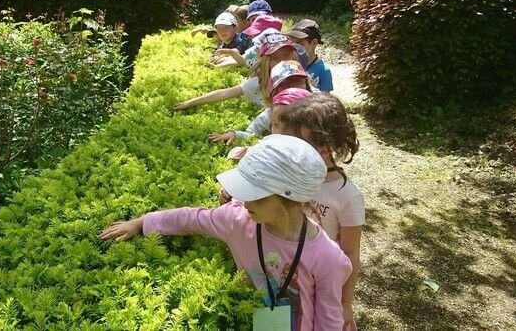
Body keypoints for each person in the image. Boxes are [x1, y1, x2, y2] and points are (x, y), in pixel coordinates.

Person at [100, 134, 352, 330]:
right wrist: (143, 222)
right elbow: (191, 218)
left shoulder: (327, 258)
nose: (244, 200)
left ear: (294, 201)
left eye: (256, 196)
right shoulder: (237, 219)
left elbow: (329, 320)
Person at [272, 93, 363, 330]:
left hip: (324, 285)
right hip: (287, 276)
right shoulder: (290, 176)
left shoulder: (347, 197)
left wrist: (345, 302)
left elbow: (351, 254)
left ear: (322, 147)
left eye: (295, 144)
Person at [173, 32, 307, 111]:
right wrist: (190, 102)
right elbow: (225, 93)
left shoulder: (300, 82)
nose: (282, 62)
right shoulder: (258, 83)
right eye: (275, 58)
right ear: (265, 61)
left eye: (286, 56)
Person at [209, 60, 311, 145]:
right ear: (274, 91)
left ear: (306, 84)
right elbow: (251, 133)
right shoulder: (272, 113)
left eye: (297, 82)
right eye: (285, 84)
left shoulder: (317, 107)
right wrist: (234, 134)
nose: (292, 88)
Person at [287, 19, 333, 92]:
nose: (295, 47)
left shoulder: (323, 70)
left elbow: (326, 99)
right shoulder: (289, 66)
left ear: (314, 43)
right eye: (292, 43)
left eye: (299, 44)